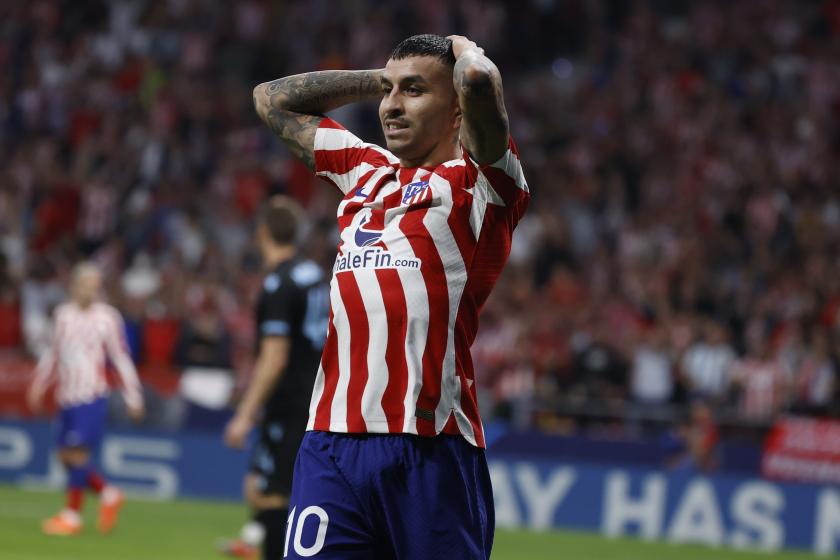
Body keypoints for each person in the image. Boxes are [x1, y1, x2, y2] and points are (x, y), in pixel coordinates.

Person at [252, 33, 529, 558]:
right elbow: (270, 99)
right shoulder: (366, 169)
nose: (392, 106)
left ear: (455, 114)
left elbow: (478, 82)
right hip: (329, 443)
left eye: (415, 91)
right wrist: (375, 80)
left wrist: (464, 50)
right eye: (389, 92)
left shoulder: (482, 185)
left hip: (430, 449)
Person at [222, 196, 329, 560]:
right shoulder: (314, 275)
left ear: (263, 232)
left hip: (289, 401)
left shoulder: (278, 285)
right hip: (317, 394)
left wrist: (244, 413)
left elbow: (274, 356)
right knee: (265, 488)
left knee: (271, 493)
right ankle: (258, 540)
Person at [26, 262, 145, 536]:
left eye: (96, 284)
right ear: (74, 285)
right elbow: (52, 353)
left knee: (78, 454)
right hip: (66, 396)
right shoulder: (62, 315)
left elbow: (120, 358)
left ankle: (72, 516)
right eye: (87, 283)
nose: (92, 289)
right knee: (65, 456)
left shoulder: (107, 318)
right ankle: (108, 492)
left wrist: (133, 396)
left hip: (91, 394)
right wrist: (38, 383)